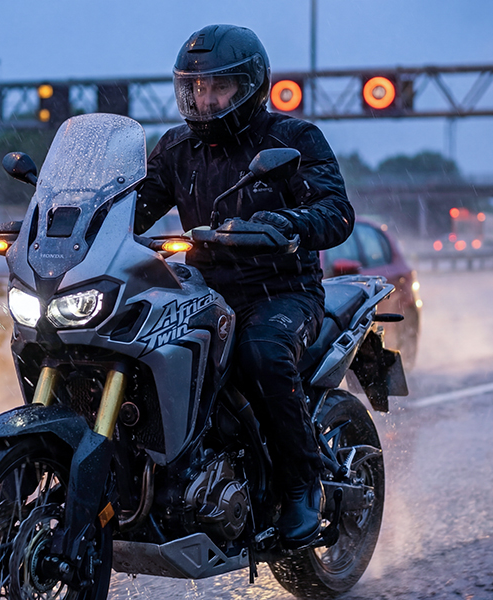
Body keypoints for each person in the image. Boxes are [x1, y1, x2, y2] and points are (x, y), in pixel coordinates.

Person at [134, 24, 355, 548]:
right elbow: (131, 206)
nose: (205, 99)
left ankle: (302, 486)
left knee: (262, 353)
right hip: (201, 290)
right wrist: (69, 219)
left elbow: (336, 211)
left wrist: (288, 223)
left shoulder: (293, 139)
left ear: (251, 85)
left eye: (219, 87)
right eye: (196, 88)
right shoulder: (176, 149)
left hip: (281, 292)